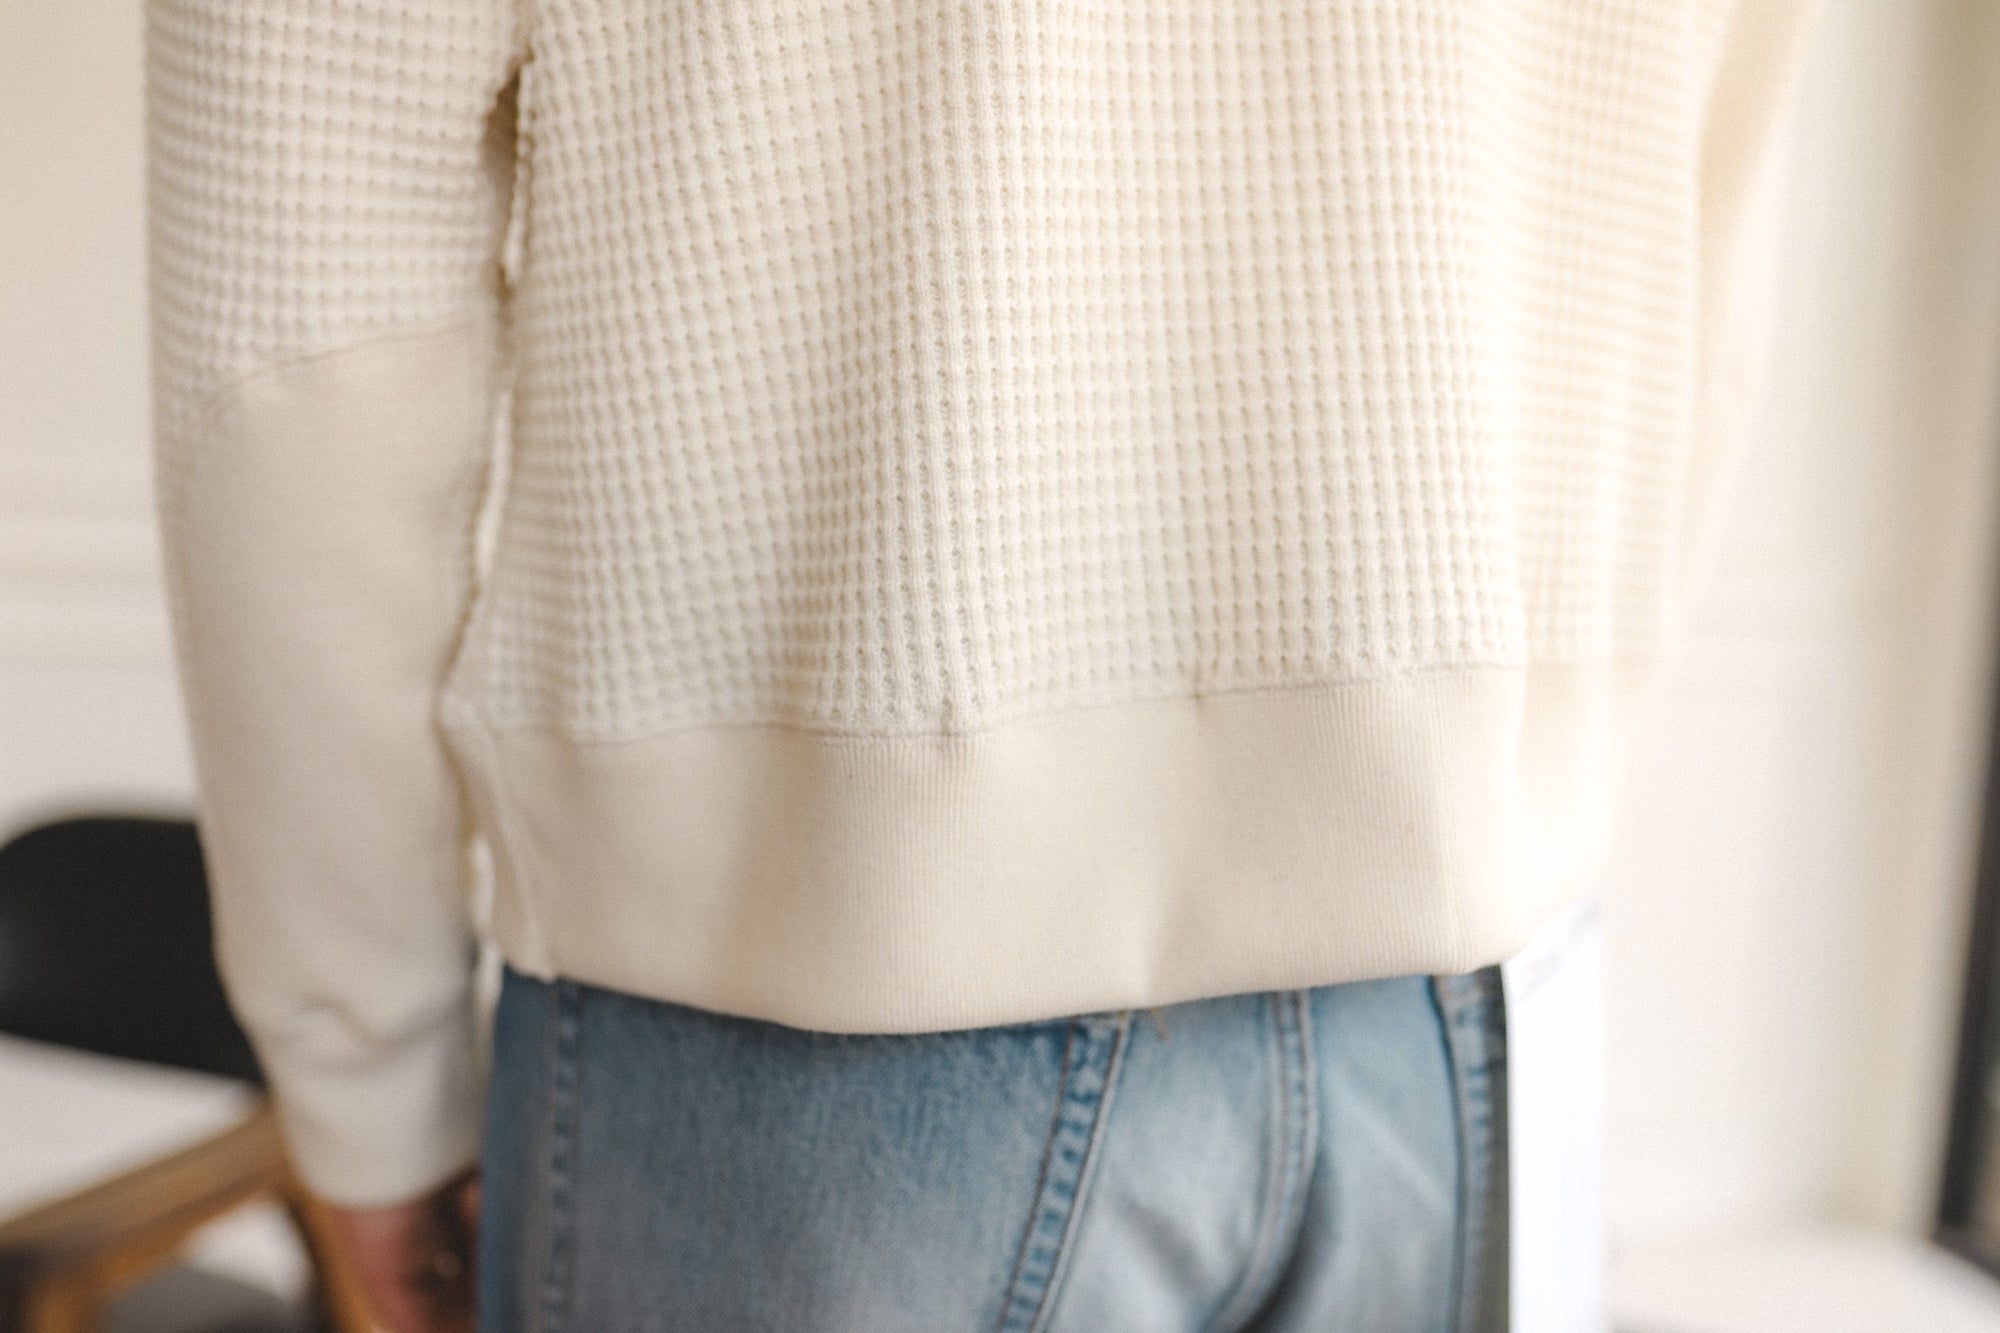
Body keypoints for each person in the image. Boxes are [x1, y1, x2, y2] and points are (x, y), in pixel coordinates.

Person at [142, 2, 1819, 1328]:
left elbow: (303, 339)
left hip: (803, 1017)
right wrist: (1520, 760)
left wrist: (369, 1068)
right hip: (1453, 1012)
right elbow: (1716, 210)